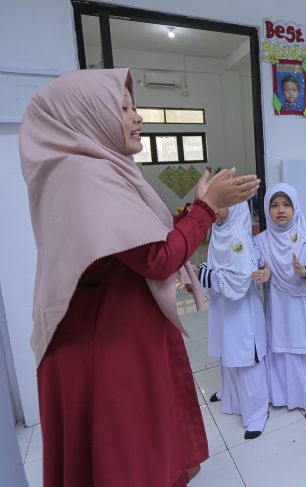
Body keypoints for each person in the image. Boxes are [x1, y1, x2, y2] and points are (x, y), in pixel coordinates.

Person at [20, 68, 260, 487]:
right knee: (128, 462)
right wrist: (205, 209)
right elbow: (158, 258)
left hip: (115, 336)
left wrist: (194, 207)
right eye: (124, 107)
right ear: (87, 115)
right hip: (104, 350)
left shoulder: (98, 170)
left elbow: (139, 237)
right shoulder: (84, 178)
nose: (137, 117)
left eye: (135, 107)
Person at [255, 183, 306, 419]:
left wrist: (305, 272)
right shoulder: (260, 241)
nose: (281, 210)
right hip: (279, 305)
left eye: (287, 204)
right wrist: (263, 275)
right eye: (275, 205)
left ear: (295, 207)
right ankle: (282, 395)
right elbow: (257, 266)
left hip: (305, 304)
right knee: (283, 343)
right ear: (267, 209)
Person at [197, 201, 269, 439]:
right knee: (228, 351)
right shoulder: (219, 229)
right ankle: (231, 397)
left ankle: (257, 413)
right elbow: (220, 266)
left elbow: (240, 279)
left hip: (239, 308)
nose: (214, 209)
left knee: (245, 357)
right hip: (224, 305)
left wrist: (204, 274)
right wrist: (202, 272)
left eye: (221, 203)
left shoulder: (236, 234)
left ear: (235, 206)